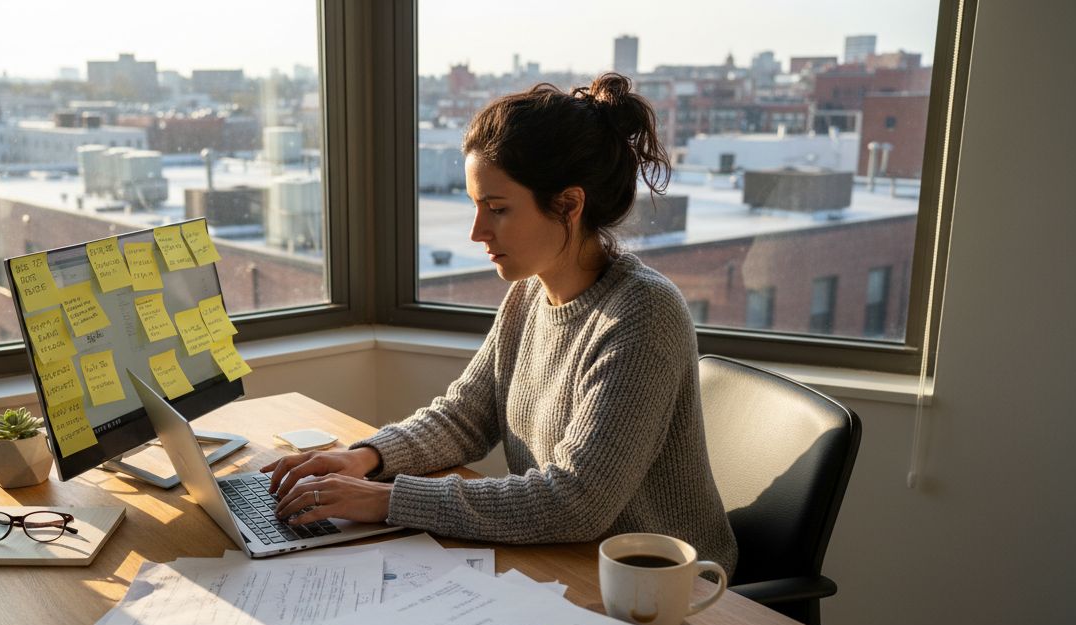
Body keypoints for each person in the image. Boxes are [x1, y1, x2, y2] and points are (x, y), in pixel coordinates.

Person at [264, 73, 737, 578]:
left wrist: (383, 499)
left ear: (569, 204)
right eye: (475, 206)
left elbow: (575, 502)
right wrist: (364, 459)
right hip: (567, 565)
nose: (476, 231)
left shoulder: (643, 314)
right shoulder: (530, 292)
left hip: (665, 591)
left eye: (497, 209)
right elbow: (466, 417)